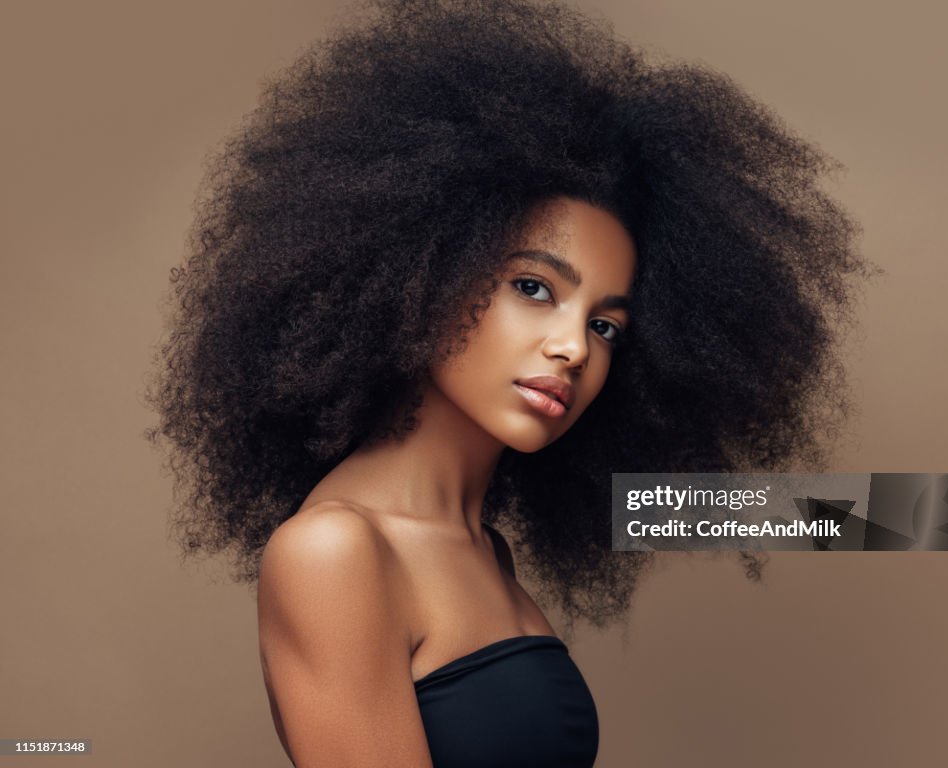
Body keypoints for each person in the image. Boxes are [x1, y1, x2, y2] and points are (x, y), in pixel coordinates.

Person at [148, 0, 868, 765]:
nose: (573, 349)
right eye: (533, 288)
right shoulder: (334, 552)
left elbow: (759, 514)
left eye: (606, 326)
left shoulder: (482, 546)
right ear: (421, 272)